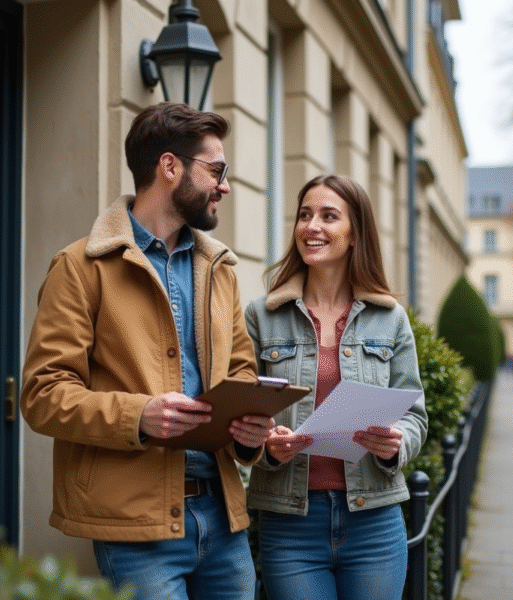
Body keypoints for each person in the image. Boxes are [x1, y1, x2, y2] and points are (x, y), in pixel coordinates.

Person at [21, 102, 275, 600]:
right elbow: (43, 394)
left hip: (224, 522)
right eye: (216, 170)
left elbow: (242, 371)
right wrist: (139, 416)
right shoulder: (80, 267)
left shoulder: (218, 268)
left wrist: (250, 433)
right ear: (169, 167)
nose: (225, 185)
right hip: (135, 530)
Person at [244, 175, 428, 600]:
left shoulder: (391, 319)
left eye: (329, 216)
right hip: (290, 523)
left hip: (374, 522)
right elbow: (244, 412)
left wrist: (396, 444)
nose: (313, 226)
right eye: (305, 215)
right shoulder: (261, 316)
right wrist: (267, 445)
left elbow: (415, 414)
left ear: (354, 234)